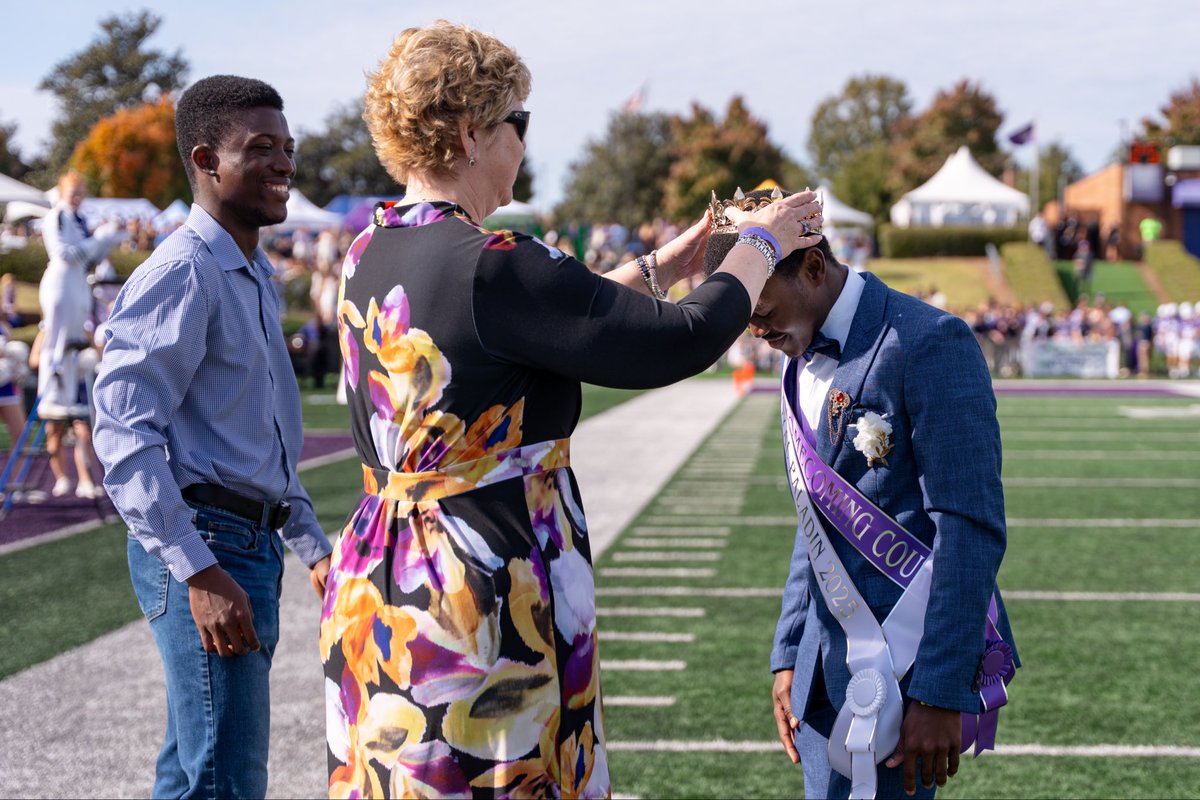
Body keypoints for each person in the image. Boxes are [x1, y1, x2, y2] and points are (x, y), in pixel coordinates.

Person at [320, 21, 822, 798]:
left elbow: (529, 326)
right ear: (471, 132)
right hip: (481, 581)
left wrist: (670, 262)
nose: (525, 141)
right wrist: (761, 242)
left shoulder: (374, 249)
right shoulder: (494, 264)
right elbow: (676, 344)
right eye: (517, 121)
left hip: (387, 576)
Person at [702, 189, 1017, 799]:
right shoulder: (795, 347)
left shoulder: (931, 343)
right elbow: (815, 516)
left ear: (814, 268)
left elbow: (968, 525)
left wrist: (939, 688)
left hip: (907, 675)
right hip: (822, 672)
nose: (755, 329)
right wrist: (789, 647)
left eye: (761, 308)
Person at [92, 75, 334, 799]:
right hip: (210, 544)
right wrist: (199, 572)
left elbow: (263, 440)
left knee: (197, 771)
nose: (283, 163)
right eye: (260, 148)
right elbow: (123, 432)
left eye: (288, 148)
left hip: (248, 543)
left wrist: (313, 549)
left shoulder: (251, 269)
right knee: (224, 781)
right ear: (205, 160)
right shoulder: (186, 270)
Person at [38, 172, 123, 497]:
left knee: (75, 338)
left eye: (79, 191)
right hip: (61, 282)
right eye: (71, 191)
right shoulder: (57, 216)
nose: (75, 196)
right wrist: (99, 238)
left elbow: (86, 255)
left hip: (76, 283)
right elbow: (66, 253)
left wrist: (106, 238)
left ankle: (68, 386)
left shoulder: (76, 217)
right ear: (62, 191)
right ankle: (54, 388)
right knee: (57, 338)